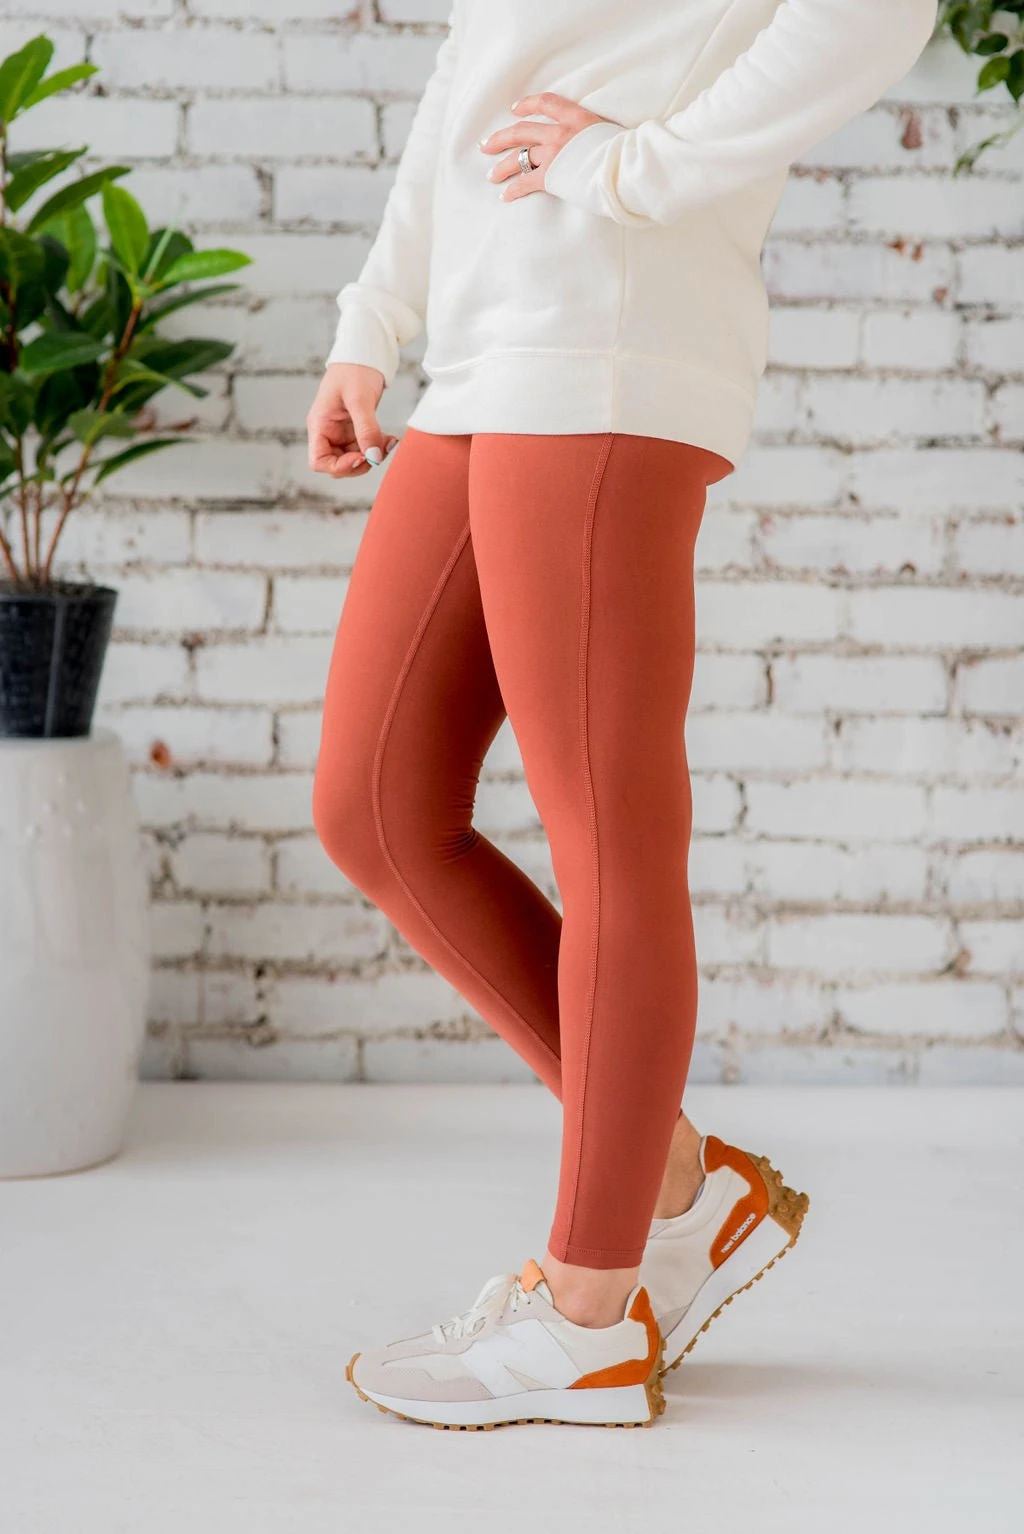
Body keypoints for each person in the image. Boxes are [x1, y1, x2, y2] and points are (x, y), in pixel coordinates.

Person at [307, 0, 939, 1430]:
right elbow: (477, 69)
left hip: (609, 334)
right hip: (482, 348)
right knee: (375, 809)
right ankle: (684, 1185)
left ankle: (589, 1314)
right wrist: (376, 316)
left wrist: (630, 169)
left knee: (609, 840)